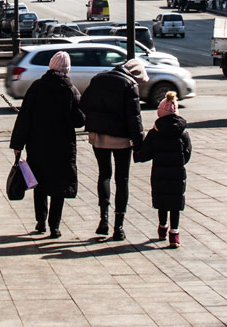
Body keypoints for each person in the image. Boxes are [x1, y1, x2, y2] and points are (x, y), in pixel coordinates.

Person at [10, 51, 85, 239]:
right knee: (58, 187)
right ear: (67, 69)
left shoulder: (36, 87)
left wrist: (17, 144)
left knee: (40, 183)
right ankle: (55, 226)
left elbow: (24, 117)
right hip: (62, 146)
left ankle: (41, 221)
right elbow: (78, 121)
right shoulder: (70, 90)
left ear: (50, 66)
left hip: (38, 144)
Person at [80, 57, 148, 240]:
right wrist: (140, 145)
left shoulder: (98, 78)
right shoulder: (129, 85)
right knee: (122, 179)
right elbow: (135, 119)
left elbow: (84, 104)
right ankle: (119, 227)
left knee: (104, 174)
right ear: (135, 75)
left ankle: (103, 219)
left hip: (98, 136)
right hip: (121, 138)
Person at [135, 91, 191, 248]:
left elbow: (145, 153)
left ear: (160, 113)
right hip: (177, 173)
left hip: (159, 173)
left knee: (162, 201)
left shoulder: (155, 133)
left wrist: (136, 151)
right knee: (175, 203)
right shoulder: (183, 133)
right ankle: (174, 234)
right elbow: (187, 154)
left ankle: (162, 227)